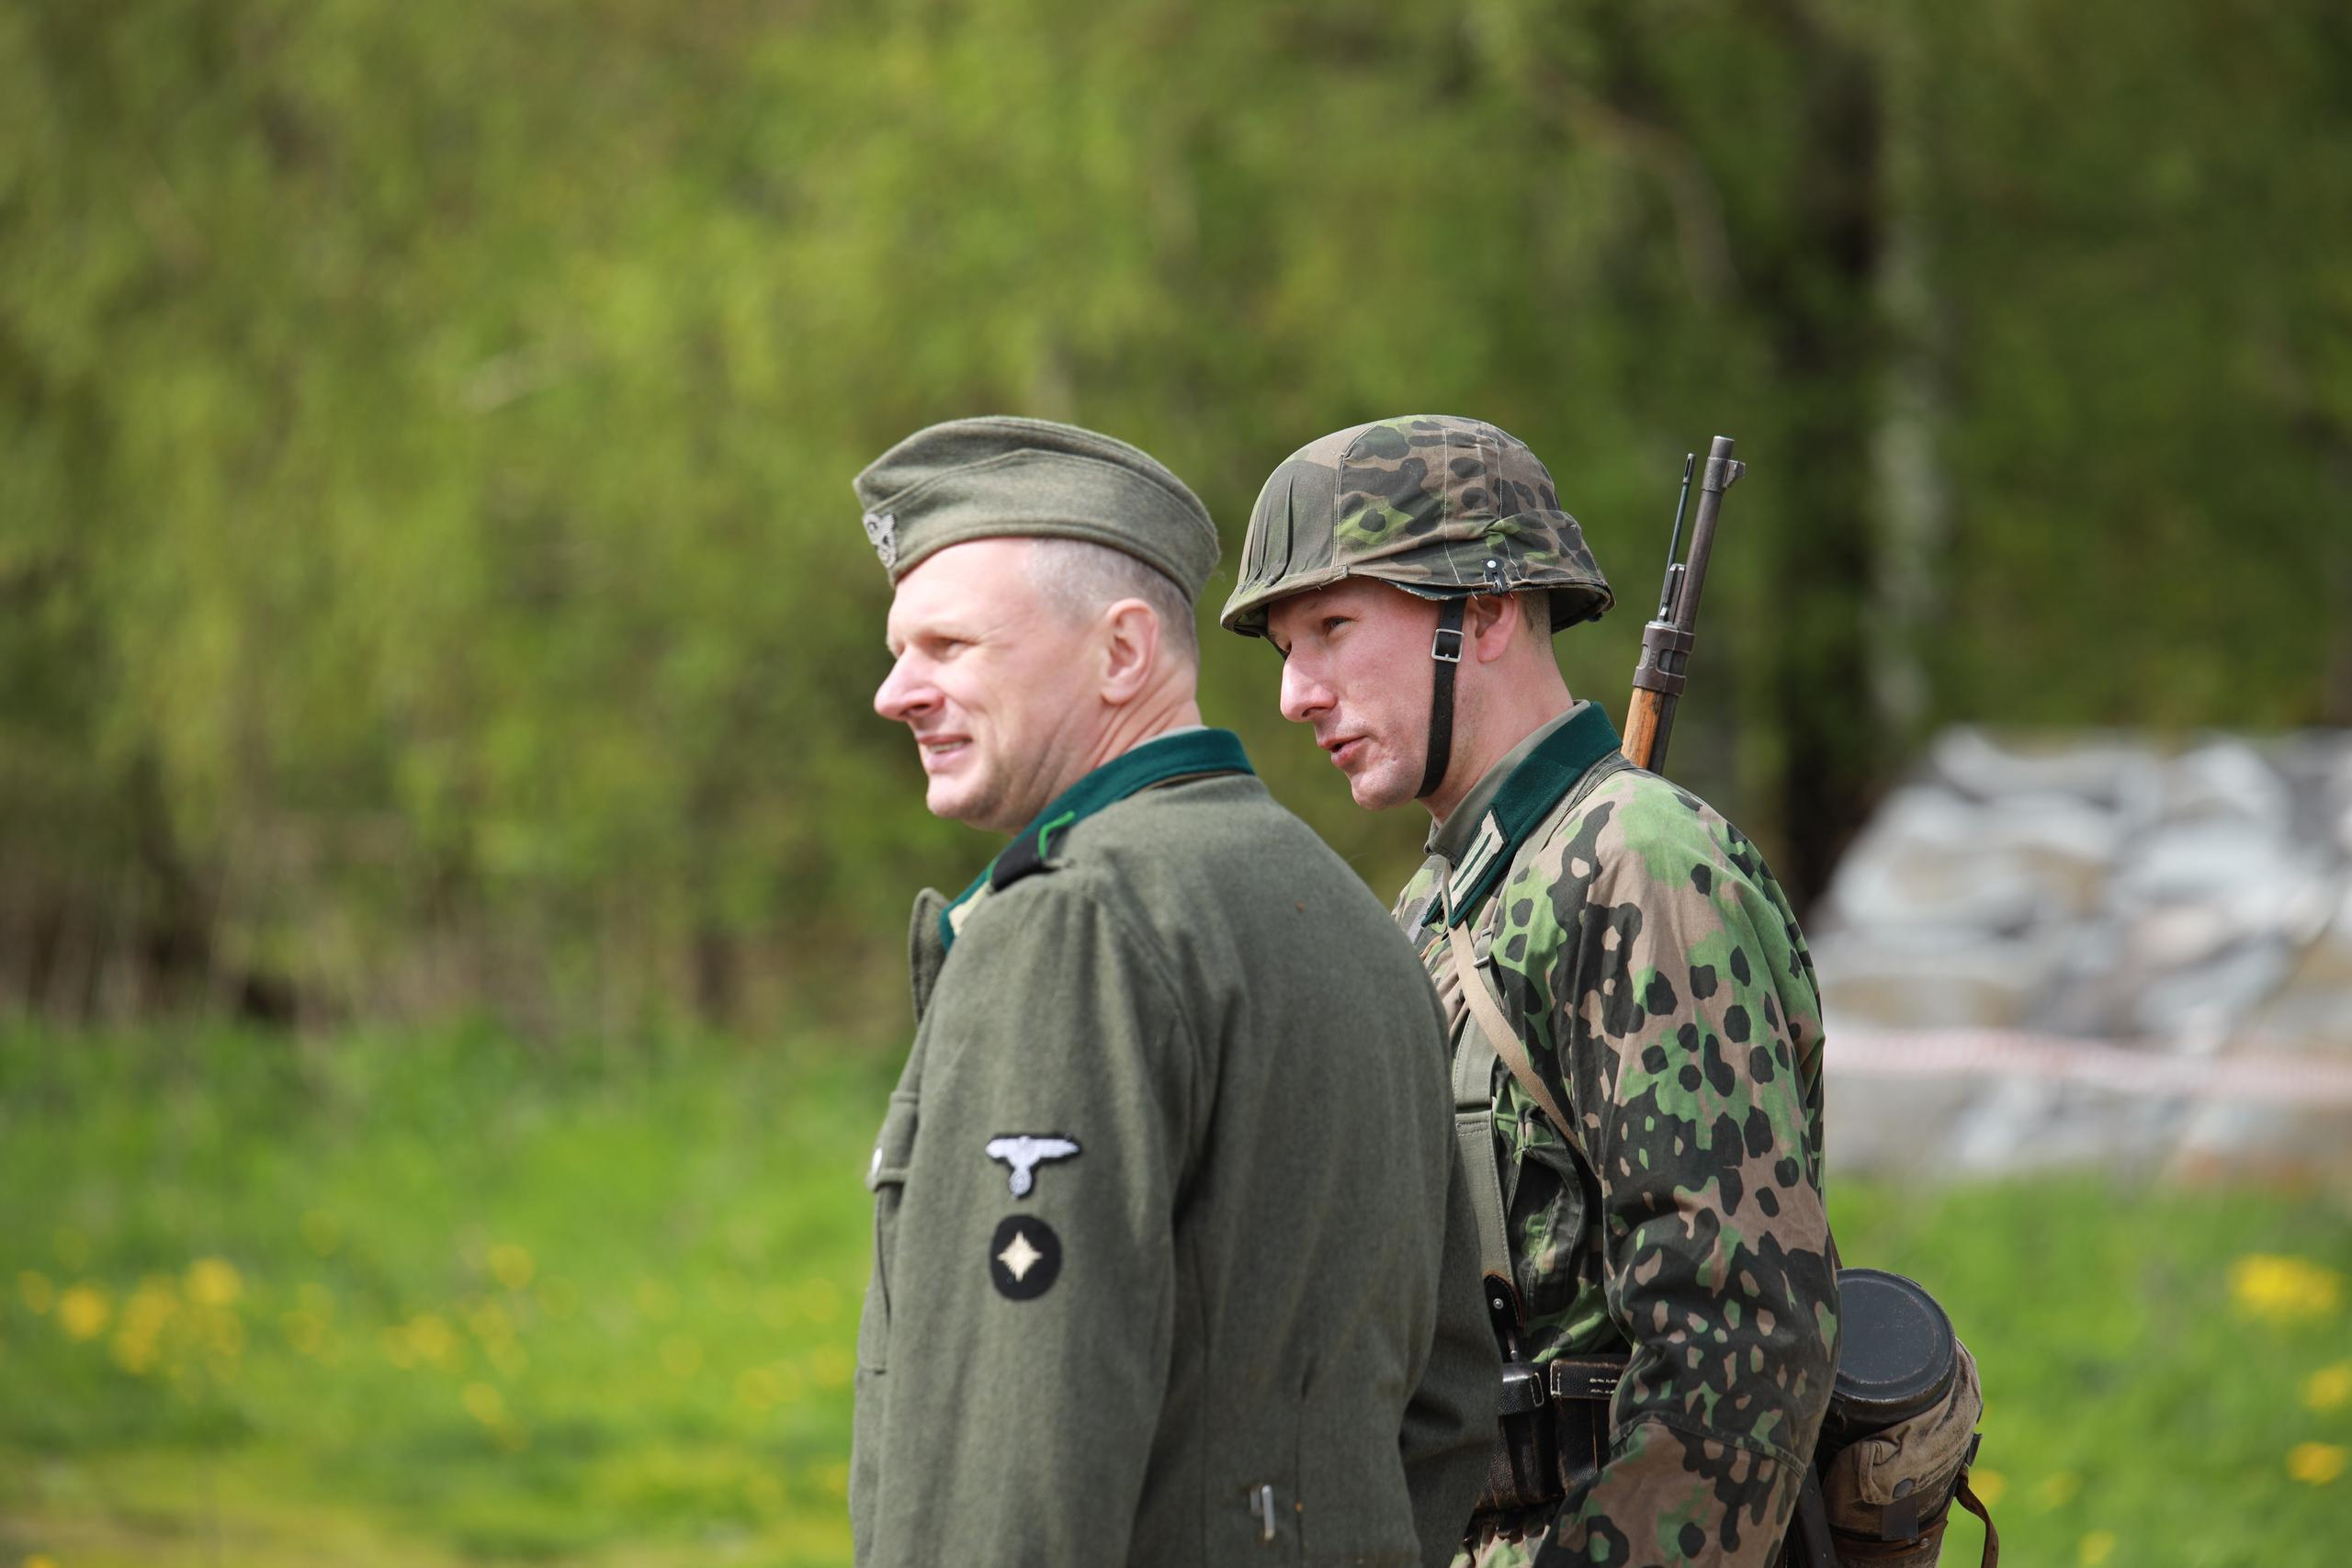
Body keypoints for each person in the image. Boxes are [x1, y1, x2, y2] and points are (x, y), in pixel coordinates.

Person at [848, 414, 1498, 1568]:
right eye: (901, 650)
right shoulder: (1358, 924)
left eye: (948, 646)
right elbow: (1446, 1410)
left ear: (1122, 653)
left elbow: (1014, 1453)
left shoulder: (1074, 926)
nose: (897, 692)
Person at [1219, 415, 1839, 1568]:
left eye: (1334, 629)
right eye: (1285, 650)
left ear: (1490, 611)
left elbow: (1739, 1341)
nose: (1297, 692)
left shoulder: (1640, 865)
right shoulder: (1444, 904)